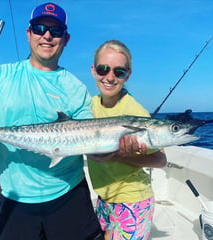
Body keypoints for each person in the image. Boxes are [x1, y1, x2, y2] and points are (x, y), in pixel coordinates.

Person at [0, 3, 104, 240]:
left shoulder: (76, 88)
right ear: (29, 34)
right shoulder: (2, 76)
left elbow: (92, 146)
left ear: (65, 39)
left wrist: (118, 149)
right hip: (16, 197)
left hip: (68, 192)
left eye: (55, 31)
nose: (47, 35)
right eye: (40, 28)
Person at [87, 40, 167, 240]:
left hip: (133, 199)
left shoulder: (136, 112)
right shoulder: (89, 107)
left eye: (119, 72)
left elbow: (161, 160)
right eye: (103, 69)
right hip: (103, 197)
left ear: (128, 74)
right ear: (93, 70)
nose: (110, 77)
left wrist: (119, 156)